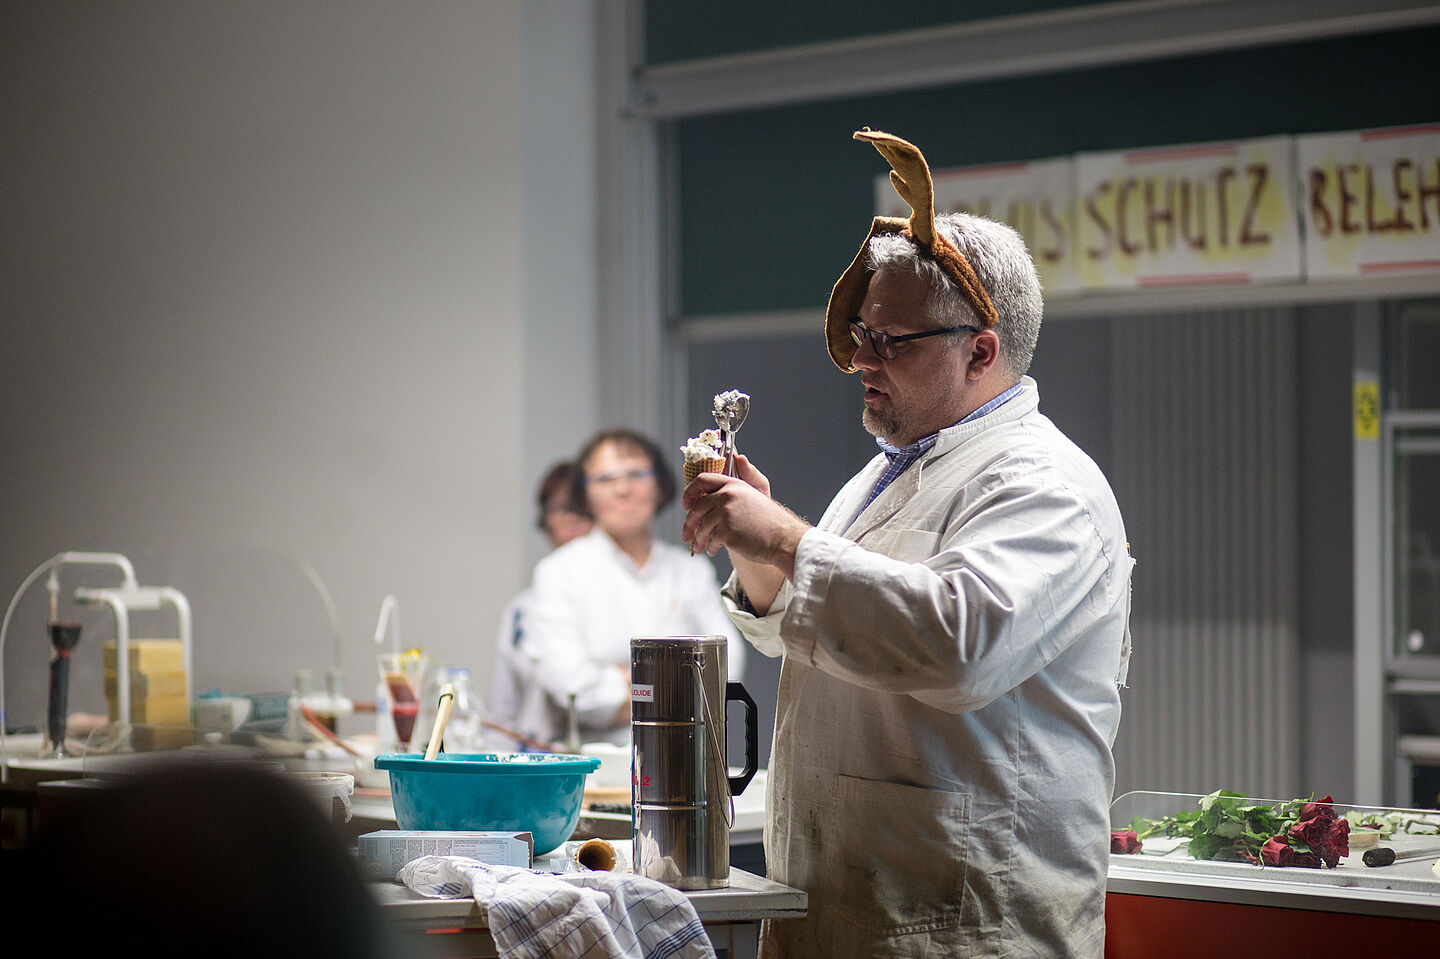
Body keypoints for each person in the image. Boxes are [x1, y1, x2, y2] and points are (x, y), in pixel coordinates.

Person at [680, 130, 1134, 958]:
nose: (860, 359)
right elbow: (829, 631)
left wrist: (788, 537)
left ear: (981, 351)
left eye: (890, 340)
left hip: (970, 925)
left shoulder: (1045, 485)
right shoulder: (887, 474)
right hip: (852, 908)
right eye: (860, 334)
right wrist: (755, 552)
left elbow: (959, 644)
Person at [521, 428, 745, 745]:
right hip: (593, 765)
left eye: (636, 474)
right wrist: (678, 683)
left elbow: (727, 666)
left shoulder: (690, 570)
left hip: (684, 755)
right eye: (605, 479)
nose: (623, 489)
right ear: (584, 495)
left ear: (659, 486)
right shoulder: (559, 572)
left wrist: (625, 681)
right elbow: (573, 688)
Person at [489, 460, 592, 750]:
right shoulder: (521, 611)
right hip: (534, 758)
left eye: (581, 508)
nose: (572, 519)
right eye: (560, 508)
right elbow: (502, 714)